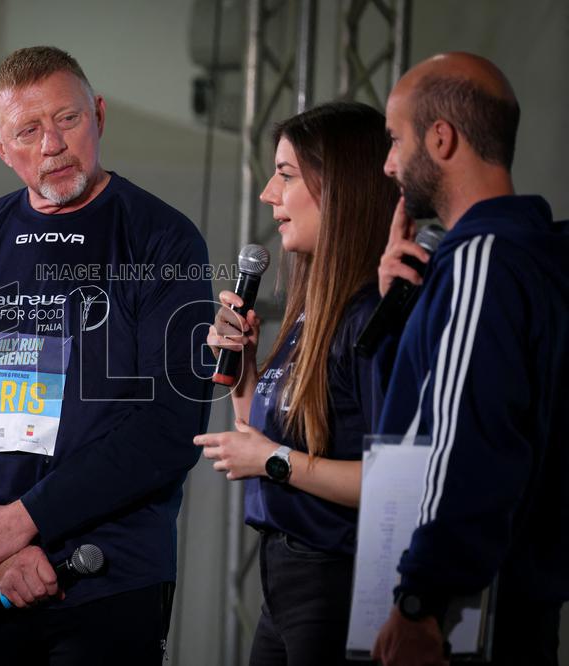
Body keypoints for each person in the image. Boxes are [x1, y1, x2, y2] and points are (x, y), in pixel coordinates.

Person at [0, 46, 213, 665]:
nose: (52, 145)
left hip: (109, 577)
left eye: (67, 120)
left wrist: (29, 518)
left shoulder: (163, 238)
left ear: (98, 115)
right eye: (28, 130)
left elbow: (172, 426)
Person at [370, 52, 568, 666]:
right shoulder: (520, 258)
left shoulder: (485, 259)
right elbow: (413, 415)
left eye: (395, 140)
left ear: (441, 138)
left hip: (464, 615)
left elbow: (469, 442)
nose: (388, 164)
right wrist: (398, 308)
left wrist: (420, 600)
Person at [195, 101, 397, 666]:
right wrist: (245, 366)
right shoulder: (314, 311)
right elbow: (256, 435)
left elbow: (396, 482)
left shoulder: (373, 318)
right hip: (284, 577)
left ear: (342, 187)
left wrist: (274, 461)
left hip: (339, 577)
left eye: (285, 175)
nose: (267, 194)